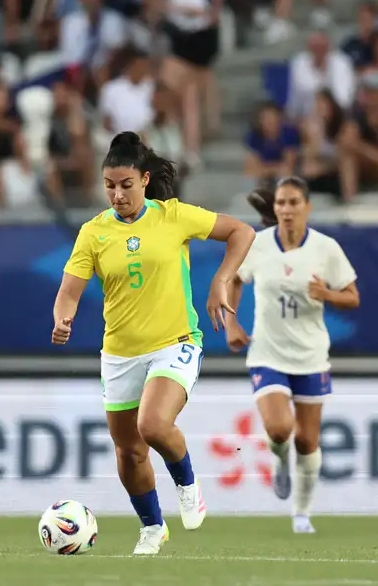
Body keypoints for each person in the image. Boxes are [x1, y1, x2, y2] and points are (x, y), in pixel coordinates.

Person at [51, 132, 255, 555]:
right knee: (129, 451)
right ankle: (152, 527)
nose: (117, 194)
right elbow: (70, 290)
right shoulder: (94, 232)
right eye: (110, 185)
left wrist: (220, 280)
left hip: (174, 342)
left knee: (153, 425)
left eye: (126, 185)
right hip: (121, 354)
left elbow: (241, 232)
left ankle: (188, 484)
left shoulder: (173, 215)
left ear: (145, 180)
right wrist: (62, 318)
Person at [228, 178, 360, 534]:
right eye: (281, 203)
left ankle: (301, 514)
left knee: (307, 440)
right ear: (275, 209)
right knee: (279, 428)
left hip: (310, 355)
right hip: (267, 352)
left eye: (293, 203)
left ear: (307, 207)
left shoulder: (325, 248)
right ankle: (278, 458)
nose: (286, 210)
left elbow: (352, 296)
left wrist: (326, 295)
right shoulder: (257, 246)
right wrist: (231, 324)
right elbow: (234, 280)